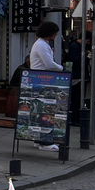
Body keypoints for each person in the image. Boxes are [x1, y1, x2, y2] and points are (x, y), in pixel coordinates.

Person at [30, 21, 62, 151]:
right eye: (55, 33)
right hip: (43, 81)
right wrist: (61, 68)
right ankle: (45, 142)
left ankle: (38, 139)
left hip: (38, 80)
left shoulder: (41, 44)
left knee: (39, 111)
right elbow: (49, 64)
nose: (55, 36)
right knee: (47, 111)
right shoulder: (42, 45)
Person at [67, 31, 91, 127]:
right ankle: (75, 119)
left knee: (78, 99)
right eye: (88, 41)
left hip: (79, 76)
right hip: (77, 76)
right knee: (76, 99)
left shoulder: (77, 46)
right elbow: (75, 60)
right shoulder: (75, 46)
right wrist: (87, 58)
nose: (88, 43)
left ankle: (76, 118)